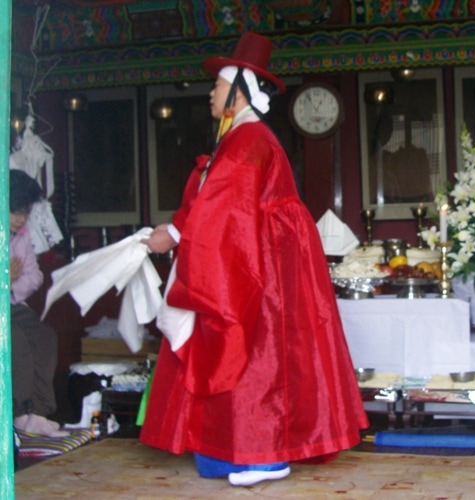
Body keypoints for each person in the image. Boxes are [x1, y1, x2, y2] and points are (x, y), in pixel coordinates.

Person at [139, 32, 368, 487]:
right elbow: (216, 202)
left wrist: (177, 233)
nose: (211, 93)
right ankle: (234, 451)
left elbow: (223, 208)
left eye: (218, 86)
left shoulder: (247, 140)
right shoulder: (242, 137)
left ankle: (263, 454)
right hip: (261, 254)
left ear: (239, 93)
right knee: (252, 352)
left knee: (252, 353)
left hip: (259, 262)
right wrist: (178, 228)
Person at [9, 169, 68, 438]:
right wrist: (5, 277)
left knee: (44, 336)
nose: (21, 219)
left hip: (11, 303)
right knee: (17, 339)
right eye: (15, 212)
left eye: (25, 213)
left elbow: (34, 277)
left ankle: (39, 413)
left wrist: (11, 283)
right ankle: (19, 412)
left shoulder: (21, 235)